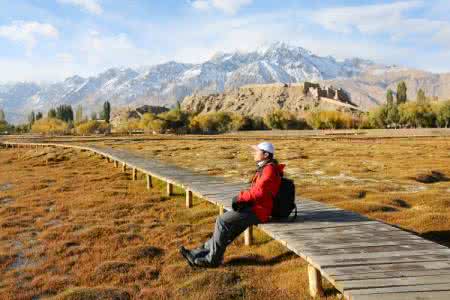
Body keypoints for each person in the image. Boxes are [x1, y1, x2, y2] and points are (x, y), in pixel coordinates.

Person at [180, 141, 285, 268]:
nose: (254, 153)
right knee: (228, 229)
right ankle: (198, 253)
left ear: (266, 154)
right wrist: (242, 200)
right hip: (255, 208)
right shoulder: (266, 167)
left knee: (222, 220)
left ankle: (212, 259)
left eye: (257, 151)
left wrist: (240, 198)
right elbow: (257, 191)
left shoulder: (269, 169)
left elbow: (259, 193)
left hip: (259, 211)